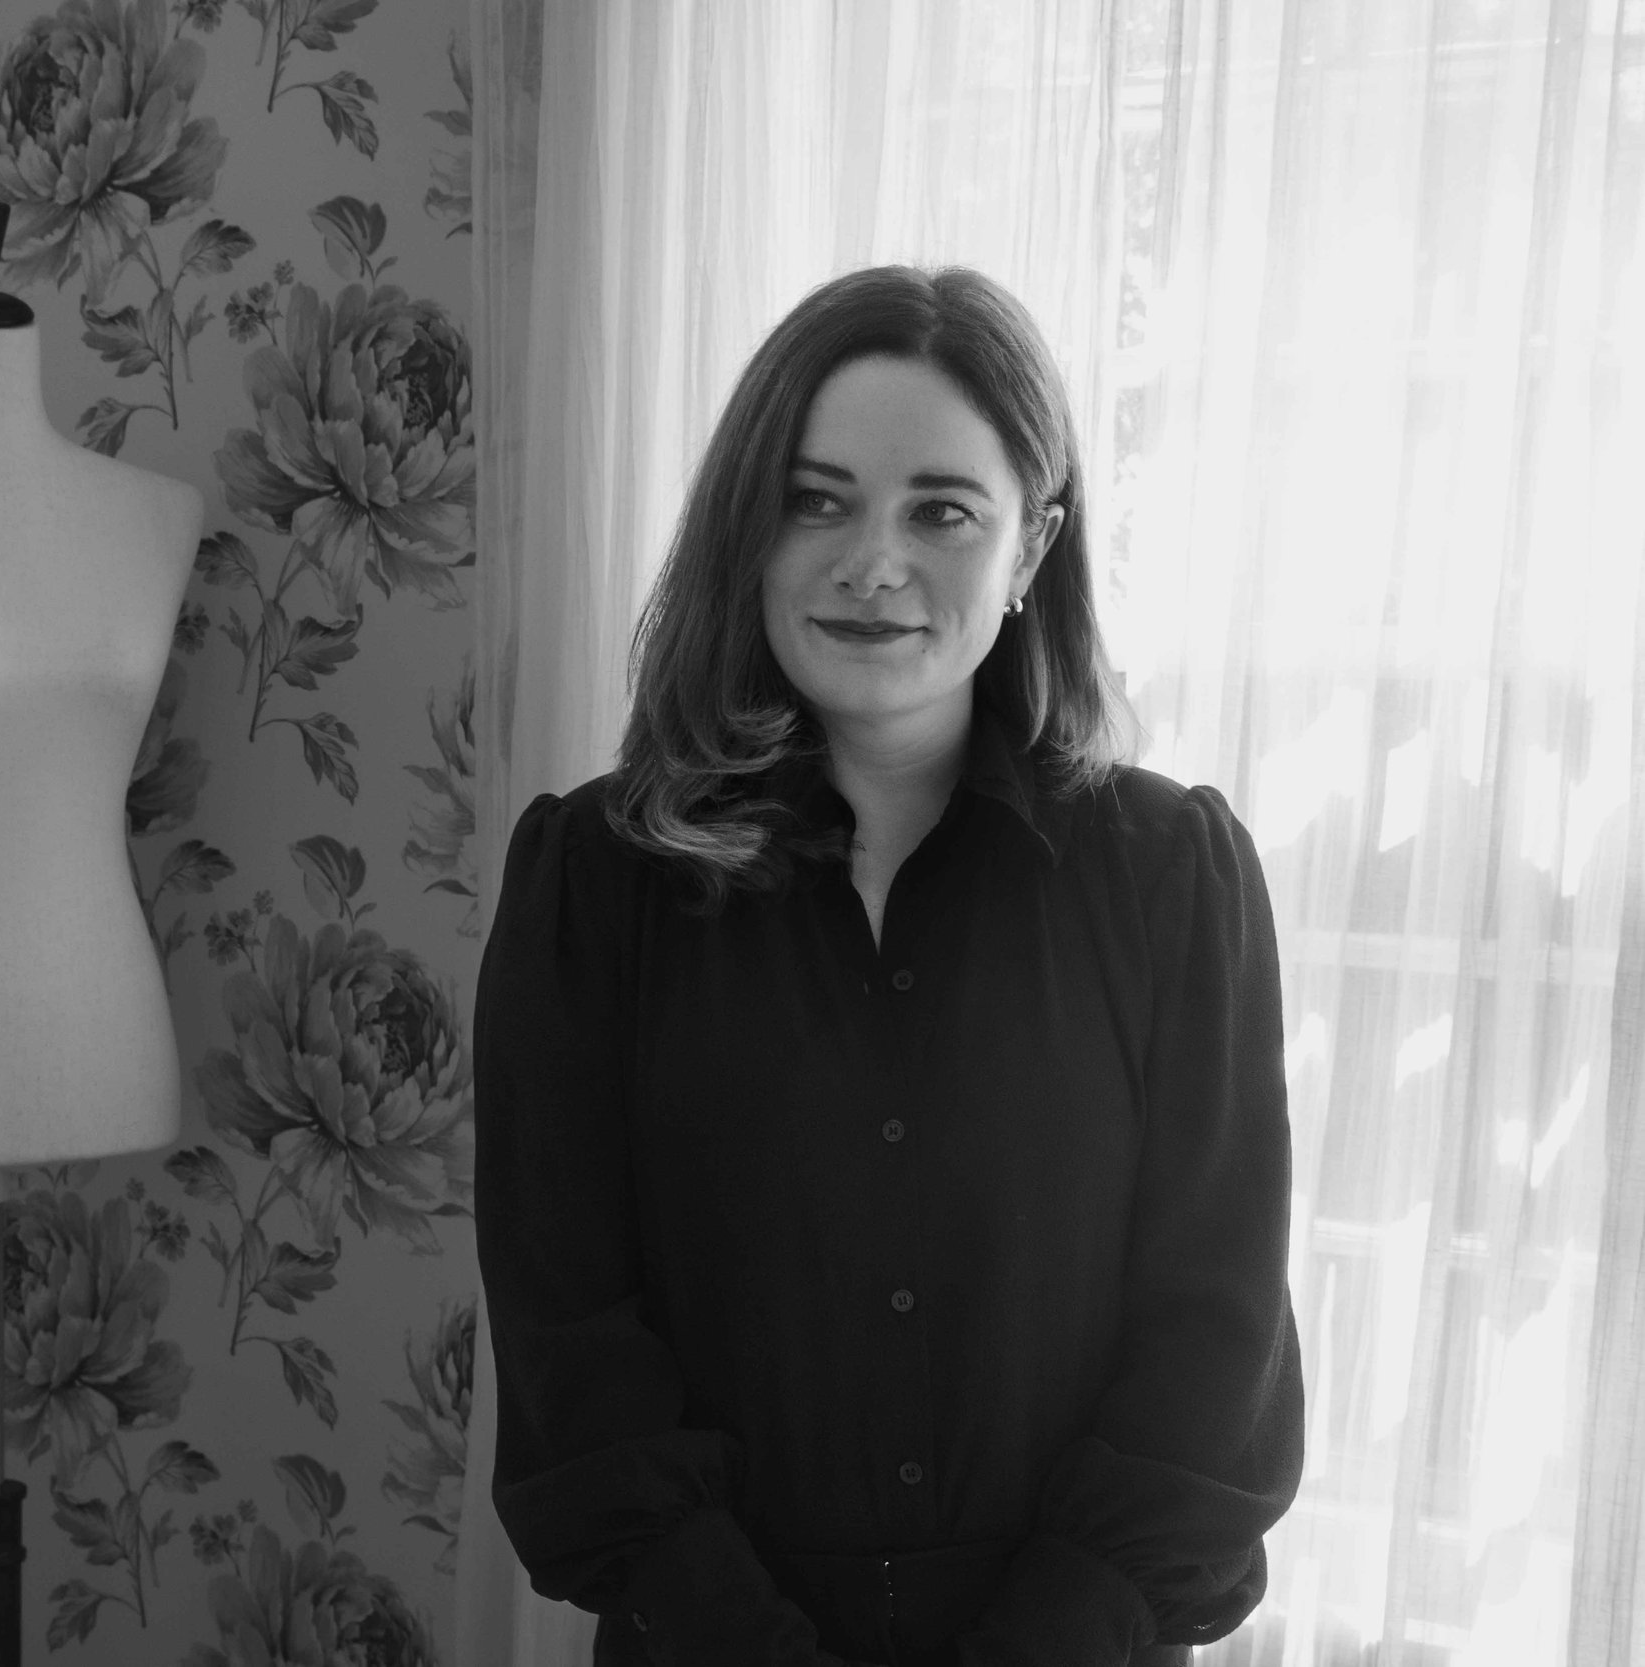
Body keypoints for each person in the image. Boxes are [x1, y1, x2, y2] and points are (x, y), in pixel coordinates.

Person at [473, 265, 1304, 1667]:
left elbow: (1212, 1344)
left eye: (942, 510)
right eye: (816, 498)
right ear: (749, 527)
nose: (873, 561)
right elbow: (571, 1350)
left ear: (1032, 547)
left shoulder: (1173, 882)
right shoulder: (592, 884)